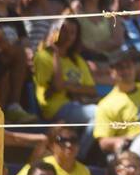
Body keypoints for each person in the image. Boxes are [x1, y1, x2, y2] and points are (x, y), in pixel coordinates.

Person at [33, 18, 99, 154]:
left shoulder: (77, 59)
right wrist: (55, 53)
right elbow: (57, 86)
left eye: (73, 33)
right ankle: (80, 154)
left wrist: (68, 86)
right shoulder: (42, 56)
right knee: (99, 113)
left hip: (75, 106)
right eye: (64, 31)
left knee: (101, 113)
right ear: (55, 32)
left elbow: (91, 89)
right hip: (54, 108)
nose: (69, 36)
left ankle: (78, 152)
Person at [94, 49, 140, 156]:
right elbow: (103, 141)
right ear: (111, 72)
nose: (126, 71)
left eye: (129, 66)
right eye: (120, 68)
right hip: (130, 150)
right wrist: (129, 138)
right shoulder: (106, 104)